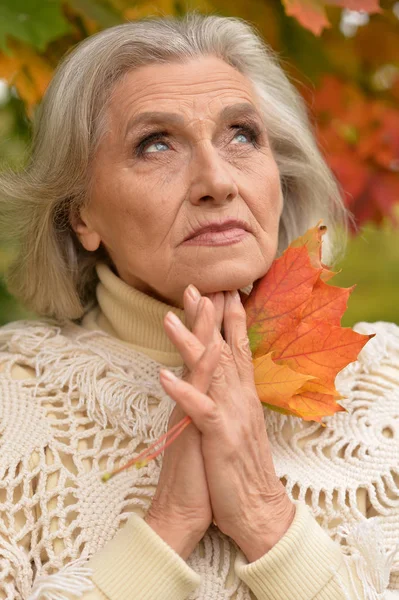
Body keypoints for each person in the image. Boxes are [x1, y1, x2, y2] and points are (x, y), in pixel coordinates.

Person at [0, 12, 398, 600]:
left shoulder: (386, 385)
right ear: (80, 212)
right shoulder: (14, 401)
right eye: (155, 144)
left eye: (241, 134)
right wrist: (167, 527)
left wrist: (266, 518)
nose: (217, 180)